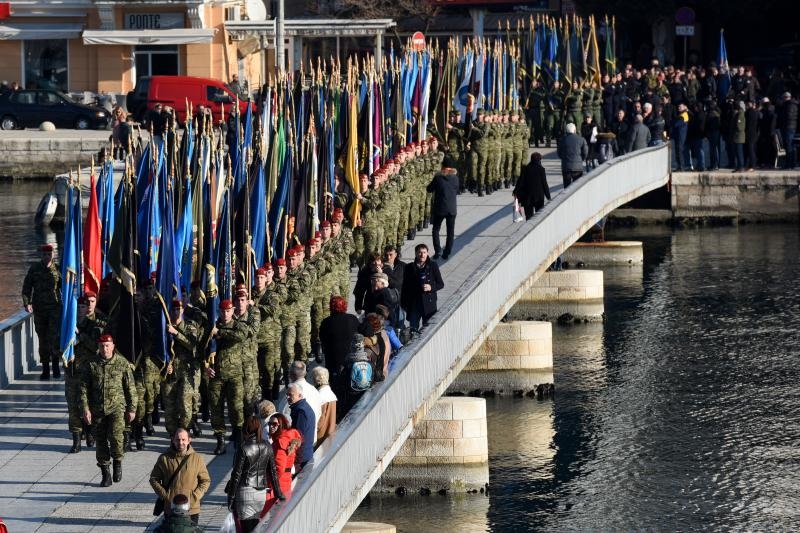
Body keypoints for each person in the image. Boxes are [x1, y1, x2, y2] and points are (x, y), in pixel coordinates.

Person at [79, 334, 137, 486]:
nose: (104, 349)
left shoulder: (122, 363)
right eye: (102, 346)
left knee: (116, 437)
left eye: (107, 346)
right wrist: (85, 409)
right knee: (101, 441)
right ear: (98, 347)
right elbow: (83, 388)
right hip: (97, 409)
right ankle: (105, 473)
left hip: (117, 408)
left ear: (113, 346)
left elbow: (130, 387)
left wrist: (132, 408)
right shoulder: (91, 364)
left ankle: (117, 461)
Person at [225, 415, 284, 533]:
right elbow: (273, 471)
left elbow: (236, 475)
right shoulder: (267, 445)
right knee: (255, 526)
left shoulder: (243, 448)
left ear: (246, 429)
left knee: (246, 528)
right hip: (261, 492)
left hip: (245, 490)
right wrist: (278, 493)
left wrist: (231, 498)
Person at [149, 429, 211, 525]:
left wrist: (195, 496)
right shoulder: (164, 458)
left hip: (191, 509)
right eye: (177, 440)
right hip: (171, 508)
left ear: (189, 440)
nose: (180, 442)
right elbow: (154, 479)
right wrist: (165, 496)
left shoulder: (197, 458)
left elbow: (205, 481)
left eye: (183, 439)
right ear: (172, 440)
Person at [22, 243, 62, 380]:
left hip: (54, 309)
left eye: (49, 254)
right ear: (41, 255)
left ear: (53, 255)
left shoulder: (58, 269)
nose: (47, 257)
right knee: (42, 340)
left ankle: (56, 366)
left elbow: (66, 287)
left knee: (53, 338)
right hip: (39, 310)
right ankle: (45, 369)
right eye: (44, 254)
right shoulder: (34, 269)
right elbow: (27, 287)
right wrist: (27, 303)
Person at [262, 413, 301, 516]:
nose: (271, 426)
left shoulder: (281, 443)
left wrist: (268, 481)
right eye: (269, 424)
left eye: (274, 424)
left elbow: (279, 468)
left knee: (268, 515)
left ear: (281, 425)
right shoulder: (286, 438)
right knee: (278, 514)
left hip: (278, 485)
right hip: (284, 481)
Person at [400, 244, 444, 333]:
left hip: (428, 304)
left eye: (424, 252)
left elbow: (441, 284)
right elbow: (405, 287)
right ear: (416, 254)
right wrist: (403, 303)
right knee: (413, 329)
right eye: (419, 252)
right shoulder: (409, 267)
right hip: (414, 303)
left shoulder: (433, 265)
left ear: (427, 253)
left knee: (427, 329)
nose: (422, 255)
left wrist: (431, 287)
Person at [319, 295, 359, 385]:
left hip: (334, 360)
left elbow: (323, 339)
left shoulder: (326, 322)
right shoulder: (353, 319)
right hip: (352, 357)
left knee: (335, 385)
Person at [426, 155, 460, 260]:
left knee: (436, 230)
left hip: (439, 209)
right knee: (450, 232)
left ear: (442, 166)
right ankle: (447, 252)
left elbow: (429, 189)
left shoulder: (438, 178)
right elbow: (457, 189)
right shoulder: (455, 178)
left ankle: (438, 251)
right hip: (452, 209)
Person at [285, 383, 315, 471]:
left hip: (301, 458)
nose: (287, 397)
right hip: (305, 454)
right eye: (287, 394)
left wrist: (296, 461)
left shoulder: (301, 411)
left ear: (300, 395)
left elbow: (298, 437)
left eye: (290, 395)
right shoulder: (302, 407)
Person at [513, 152, 551, 220]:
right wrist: (548, 197)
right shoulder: (541, 169)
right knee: (539, 216)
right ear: (539, 160)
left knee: (529, 216)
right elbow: (544, 184)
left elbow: (520, 182)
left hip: (527, 197)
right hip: (538, 197)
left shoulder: (525, 169)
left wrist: (515, 191)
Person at [310, 367, 337, 448]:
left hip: (320, 437)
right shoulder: (330, 393)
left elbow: (320, 419)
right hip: (329, 434)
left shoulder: (320, 396)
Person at [556, 123, 588, 188]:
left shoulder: (562, 140)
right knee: (577, 187)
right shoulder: (581, 139)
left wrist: (564, 158)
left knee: (567, 187)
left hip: (566, 167)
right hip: (577, 167)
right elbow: (585, 152)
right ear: (575, 130)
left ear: (566, 131)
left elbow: (559, 153)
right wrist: (581, 159)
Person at [776, 92, 797, 169]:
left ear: (785, 98)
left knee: (788, 146)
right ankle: (792, 164)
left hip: (787, 127)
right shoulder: (794, 105)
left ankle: (788, 164)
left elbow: (785, 117)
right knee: (792, 146)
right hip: (792, 127)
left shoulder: (788, 105)